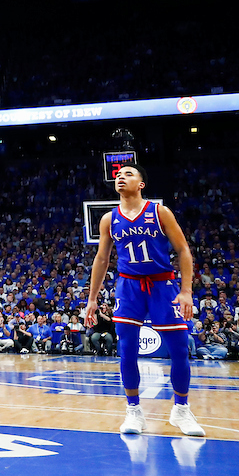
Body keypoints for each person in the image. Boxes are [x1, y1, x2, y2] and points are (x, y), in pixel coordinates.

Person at [85, 164, 204, 437]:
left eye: (128, 174)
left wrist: (186, 291)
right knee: (126, 349)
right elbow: (102, 259)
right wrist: (92, 299)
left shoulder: (159, 212)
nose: (120, 177)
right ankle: (134, 410)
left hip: (163, 284)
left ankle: (182, 410)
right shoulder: (108, 219)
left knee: (178, 349)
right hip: (128, 286)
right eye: (118, 175)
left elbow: (184, 249)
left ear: (141, 184)